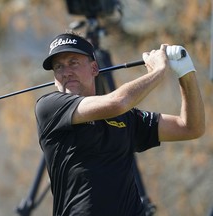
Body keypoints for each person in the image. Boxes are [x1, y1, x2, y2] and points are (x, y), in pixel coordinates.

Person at [35, 32, 205, 216]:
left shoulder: (126, 118)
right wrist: (158, 71)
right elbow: (118, 102)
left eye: (73, 62)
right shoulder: (49, 107)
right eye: (58, 67)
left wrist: (186, 72)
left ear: (94, 68)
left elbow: (190, 127)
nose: (66, 72)